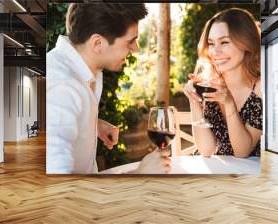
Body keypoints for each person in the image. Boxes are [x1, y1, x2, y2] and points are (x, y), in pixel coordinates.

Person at [46, 3, 170, 174]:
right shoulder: (63, 87)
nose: (135, 49)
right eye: (130, 41)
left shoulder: (86, 70)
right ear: (97, 43)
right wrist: (139, 175)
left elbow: (60, 118)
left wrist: (91, 124)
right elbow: (58, 190)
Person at [183, 8, 262, 158]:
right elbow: (206, 150)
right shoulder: (209, 83)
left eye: (224, 42)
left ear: (246, 42)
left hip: (247, 175)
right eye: (211, 43)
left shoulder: (260, 87)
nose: (215, 52)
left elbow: (242, 152)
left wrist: (229, 103)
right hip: (215, 170)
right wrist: (194, 102)